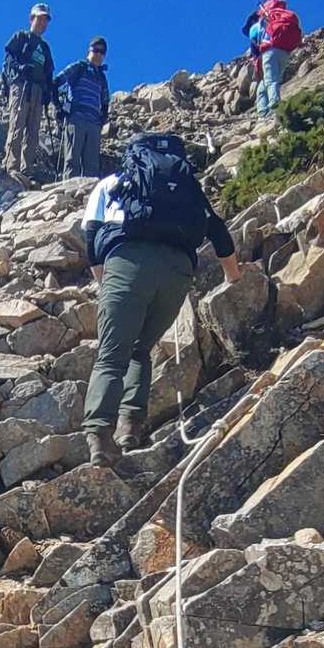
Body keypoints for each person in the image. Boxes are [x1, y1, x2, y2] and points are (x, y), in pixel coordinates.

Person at [81, 135, 242, 466]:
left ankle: (99, 437)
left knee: (112, 355)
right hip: (177, 271)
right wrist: (233, 277)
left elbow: (92, 238)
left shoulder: (112, 183)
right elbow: (218, 232)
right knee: (140, 349)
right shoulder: (186, 188)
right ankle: (130, 428)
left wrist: (105, 281)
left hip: (126, 262)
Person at [2, 4, 55, 185]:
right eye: (40, 18)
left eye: (45, 20)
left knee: (33, 131)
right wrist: (20, 68)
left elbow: (49, 72)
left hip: (38, 89)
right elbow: (9, 59)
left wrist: (48, 92)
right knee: (17, 125)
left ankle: (27, 171)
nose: (42, 23)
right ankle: (11, 167)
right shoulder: (21, 37)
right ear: (31, 18)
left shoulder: (45, 47)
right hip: (22, 84)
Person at [54, 37, 110, 177]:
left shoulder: (101, 77)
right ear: (89, 51)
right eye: (96, 50)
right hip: (76, 119)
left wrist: (103, 117)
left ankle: (88, 190)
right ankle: (68, 188)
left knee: (92, 165)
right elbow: (56, 82)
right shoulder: (79, 67)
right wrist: (58, 107)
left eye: (102, 52)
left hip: (94, 123)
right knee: (72, 159)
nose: (99, 54)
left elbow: (105, 101)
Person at [242, 0, 303, 117]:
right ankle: (263, 112)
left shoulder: (256, 27)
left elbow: (255, 50)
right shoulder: (273, 19)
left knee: (271, 80)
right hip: (285, 53)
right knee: (264, 85)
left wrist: (257, 66)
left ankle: (275, 106)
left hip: (269, 52)